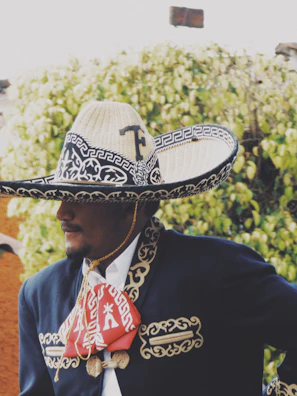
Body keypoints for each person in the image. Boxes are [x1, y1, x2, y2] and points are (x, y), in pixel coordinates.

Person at [0, 100, 296, 396]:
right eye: (61, 196)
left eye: (81, 196)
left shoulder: (218, 269)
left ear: (132, 203)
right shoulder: (39, 294)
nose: (62, 212)